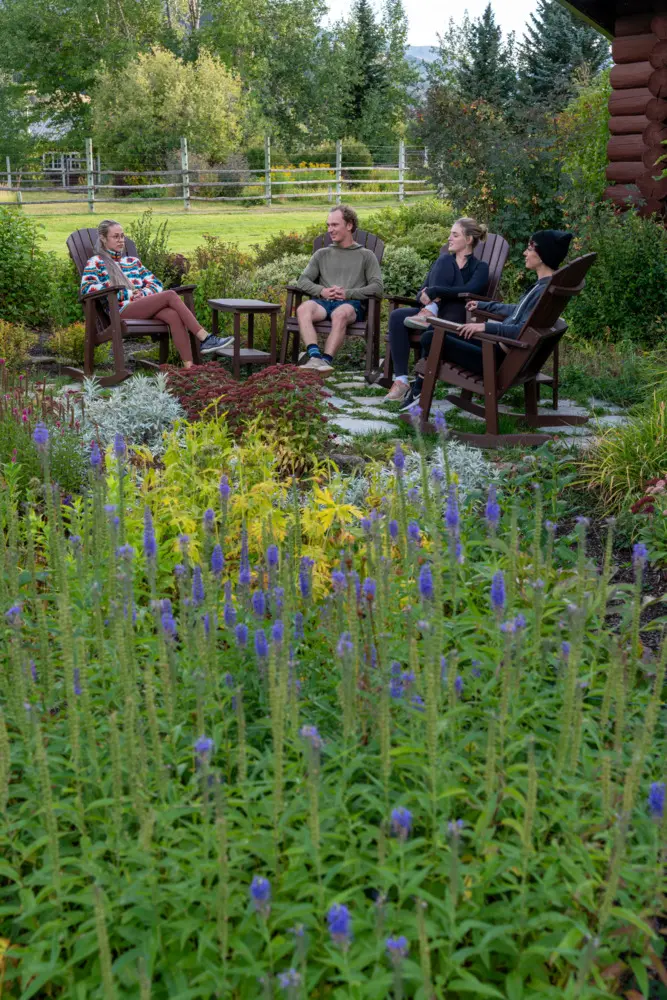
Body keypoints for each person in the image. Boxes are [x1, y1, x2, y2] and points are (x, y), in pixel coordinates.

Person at [80, 220, 232, 368]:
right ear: (103, 238)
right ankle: (205, 338)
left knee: (172, 315)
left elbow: (156, 284)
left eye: (122, 236)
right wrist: (129, 294)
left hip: (143, 307)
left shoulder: (133, 262)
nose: (121, 240)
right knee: (170, 295)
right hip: (121, 311)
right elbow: (87, 288)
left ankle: (189, 368)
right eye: (115, 236)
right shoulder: (96, 262)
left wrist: (144, 293)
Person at [383, 218, 490, 403]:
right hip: (430, 314)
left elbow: (470, 291)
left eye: (455, 235)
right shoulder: (443, 262)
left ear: (469, 239)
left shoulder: (480, 267)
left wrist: (435, 293)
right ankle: (401, 380)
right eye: (450, 234)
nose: (449, 238)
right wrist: (425, 296)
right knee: (397, 316)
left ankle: (420, 383)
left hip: (457, 314)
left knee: (435, 322)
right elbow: (422, 292)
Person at [443, 229, 574, 376]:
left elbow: (520, 330)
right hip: (498, 349)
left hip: (494, 357)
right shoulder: (544, 286)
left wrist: (483, 326)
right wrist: (482, 305)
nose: (525, 253)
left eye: (529, 249)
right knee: (438, 333)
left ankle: (418, 390)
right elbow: (518, 311)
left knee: (433, 337)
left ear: (542, 255)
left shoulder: (542, 291)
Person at [295, 205, 384, 375]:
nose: (330, 230)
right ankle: (315, 357)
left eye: (335, 225)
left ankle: (326, 361)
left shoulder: (366, 255)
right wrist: (322, 291)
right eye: (328, 225)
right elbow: (303, 280)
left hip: (351, 304)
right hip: (323, 302)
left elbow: (378, 288)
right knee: (303, 309)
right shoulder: (321, 254)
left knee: (340, 314)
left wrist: (348, 293)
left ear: (349, 225)